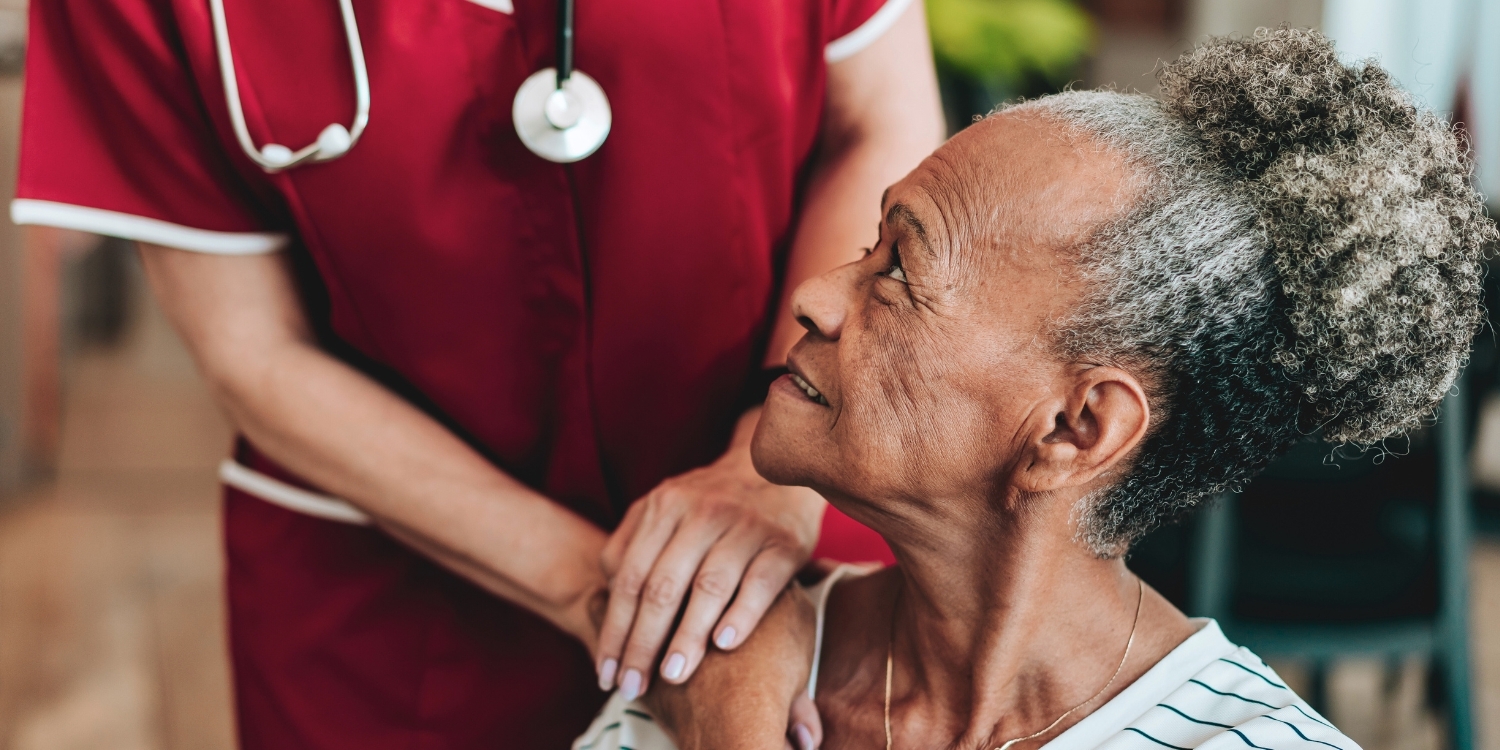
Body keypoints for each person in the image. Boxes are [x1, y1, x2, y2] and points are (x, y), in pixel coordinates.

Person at [11, 0, 945, 746]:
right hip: (395, 592)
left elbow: (875, 131)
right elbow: (254, 351)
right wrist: (632, 606)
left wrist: (765, 470)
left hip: (786, 519)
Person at [575, 28, 1496, 750]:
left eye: (899, 272)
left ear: (1075, 427)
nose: (816, 296)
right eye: (869, 245)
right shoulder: (718, 665)